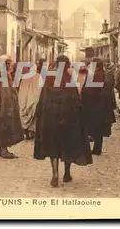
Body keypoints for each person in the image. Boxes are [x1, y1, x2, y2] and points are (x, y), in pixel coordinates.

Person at [34, 55, 92, 188]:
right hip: (67, 120)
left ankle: (55, 173)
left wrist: (41, 116)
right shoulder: (69, 80)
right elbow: (76, 102)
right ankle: (67, 173)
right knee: (67, 145)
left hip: (51, 119)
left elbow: (43, 100)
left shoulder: (49, 79)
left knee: (53, 147)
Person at [0, 54, 24, 159]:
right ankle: (4, 150)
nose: (9, 65)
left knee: (0, 125)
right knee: (4, 124)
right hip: (3, 105)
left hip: (3, 104)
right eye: (7, 63)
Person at [81, 58, 115, 155]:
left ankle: (88, 149)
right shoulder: (105, 75)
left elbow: (87, 91)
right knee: (99, 129)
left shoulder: (93, 76)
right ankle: (97, 149)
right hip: (102, 106)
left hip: (92, 106)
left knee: (89, 127)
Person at [18, 59, 45, 140]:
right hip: (34, 99)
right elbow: (41, 88)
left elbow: (21, 91)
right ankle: (31, 132)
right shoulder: (39, 76)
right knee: (33, 116)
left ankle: (26, 131)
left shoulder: (25, 77)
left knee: (24, 114)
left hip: (25, 100)